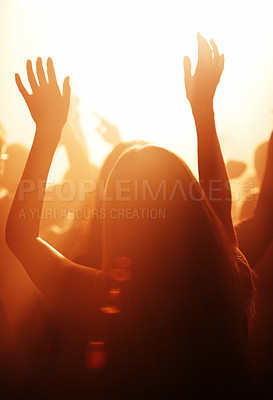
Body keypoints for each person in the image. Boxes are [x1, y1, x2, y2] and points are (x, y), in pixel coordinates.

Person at [6, 36, 253, 397]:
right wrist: (203, 110)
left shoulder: (112, 299)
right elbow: (219, 204)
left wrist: (47, 133)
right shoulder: (230, 274)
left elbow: (21, 239)